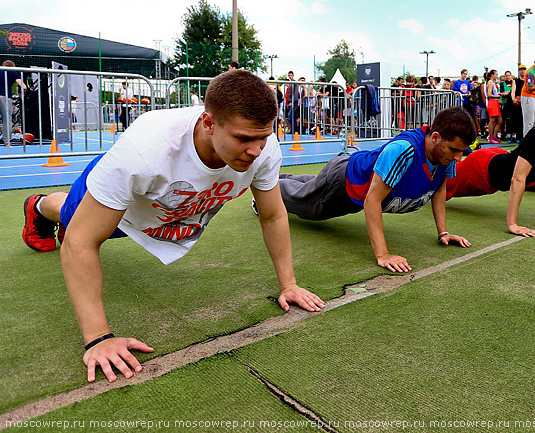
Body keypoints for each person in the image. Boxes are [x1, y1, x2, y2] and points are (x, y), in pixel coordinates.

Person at [21, 69, 325, 383]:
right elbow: (80, 243)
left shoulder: (261, 149)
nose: (255, 151)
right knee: (74, 221)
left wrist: (289, 285)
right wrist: (99, 338)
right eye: (244, 139)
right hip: (124, 197)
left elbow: (273, 215)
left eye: (264, 136)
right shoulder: (145, 151)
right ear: (208, 123)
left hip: (161, 212)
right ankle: (39, 206)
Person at [264, 107, 476, 272]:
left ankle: (287, 179)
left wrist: (443, 232)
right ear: (436, 137)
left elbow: (438, 188)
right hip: (344, 183)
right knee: (304, 204)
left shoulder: (444, 156)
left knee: (312, 186)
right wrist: (383, 255)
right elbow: (372, 201)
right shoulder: (404, 151)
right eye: (455, 150)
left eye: (462, 151)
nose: (459, 157)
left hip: (352, 176)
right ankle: (269, 188)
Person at [444, 89, 535, 237]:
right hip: (483, 169)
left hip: (498, 158)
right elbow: (517, 178)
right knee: (440, 185)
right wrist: (512, 224)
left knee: (441, 184)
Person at [1, 60, 27, 146]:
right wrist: (23, 91)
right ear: (13, 66)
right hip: (4, 96)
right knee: (7, 120)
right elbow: (23, 86)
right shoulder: (12, 72)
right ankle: (7, 141)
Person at [484, 70, 502, 143]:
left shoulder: (493, 83)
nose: (497, 76)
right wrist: (497, 96)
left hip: (495, 102)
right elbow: (489, 94)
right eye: (496, 74)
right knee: (492, 120)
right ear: (492, 75)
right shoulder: (490, 83)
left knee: (499, 121)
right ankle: (491, 137)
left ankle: (494, 136)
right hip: (492, 102)